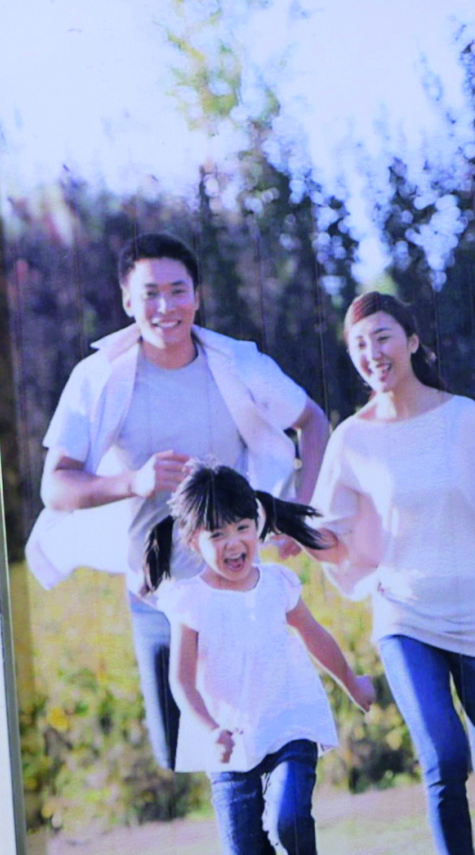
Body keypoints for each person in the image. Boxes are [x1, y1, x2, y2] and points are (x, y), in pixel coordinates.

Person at [26, 233, 334, 771]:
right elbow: (56, 487)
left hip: (234, 585)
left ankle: (271, 817)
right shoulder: (98, 377)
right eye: (150, 294)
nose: (165, 307)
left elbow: (313, 421)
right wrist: (134, 482)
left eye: (177, 291)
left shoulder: (238, 363)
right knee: (176, 751)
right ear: (128, 302)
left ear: (197, 296)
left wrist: (296, 512)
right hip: (154, 590)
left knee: (249, 738)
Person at [313, 290, 475, 855]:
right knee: (443, 756)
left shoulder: (463, 418)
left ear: (412, 341)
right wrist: (293, 534)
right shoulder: (352, 440)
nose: (372, 353)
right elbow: (334, 539)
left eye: (383, 337)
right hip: (405, 614)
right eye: (360, 345)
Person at [144, 465, 377, 855]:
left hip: (289, 721)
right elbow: (181, 681)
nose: (234, 543)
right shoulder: (190, 600)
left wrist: (351, 683)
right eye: (217, 534)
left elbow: (314, 635)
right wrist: (210, 728)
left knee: (287, 818)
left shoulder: (276, 583)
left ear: (259, 525)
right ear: (192, 540)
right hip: (229, 749)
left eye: (242, 528)